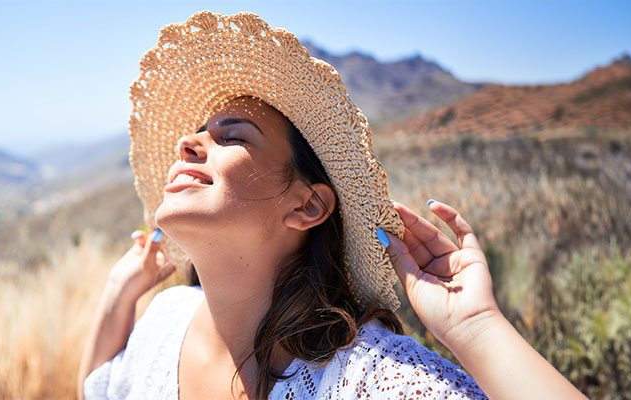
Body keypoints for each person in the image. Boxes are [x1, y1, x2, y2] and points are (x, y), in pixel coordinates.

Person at [79, 11, 585, 399]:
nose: (189, 144)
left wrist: (478, 329)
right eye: (194, 134)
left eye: (231, 136)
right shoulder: (163, 321)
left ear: (307, 205)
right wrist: (117, 293)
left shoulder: (369, 377)